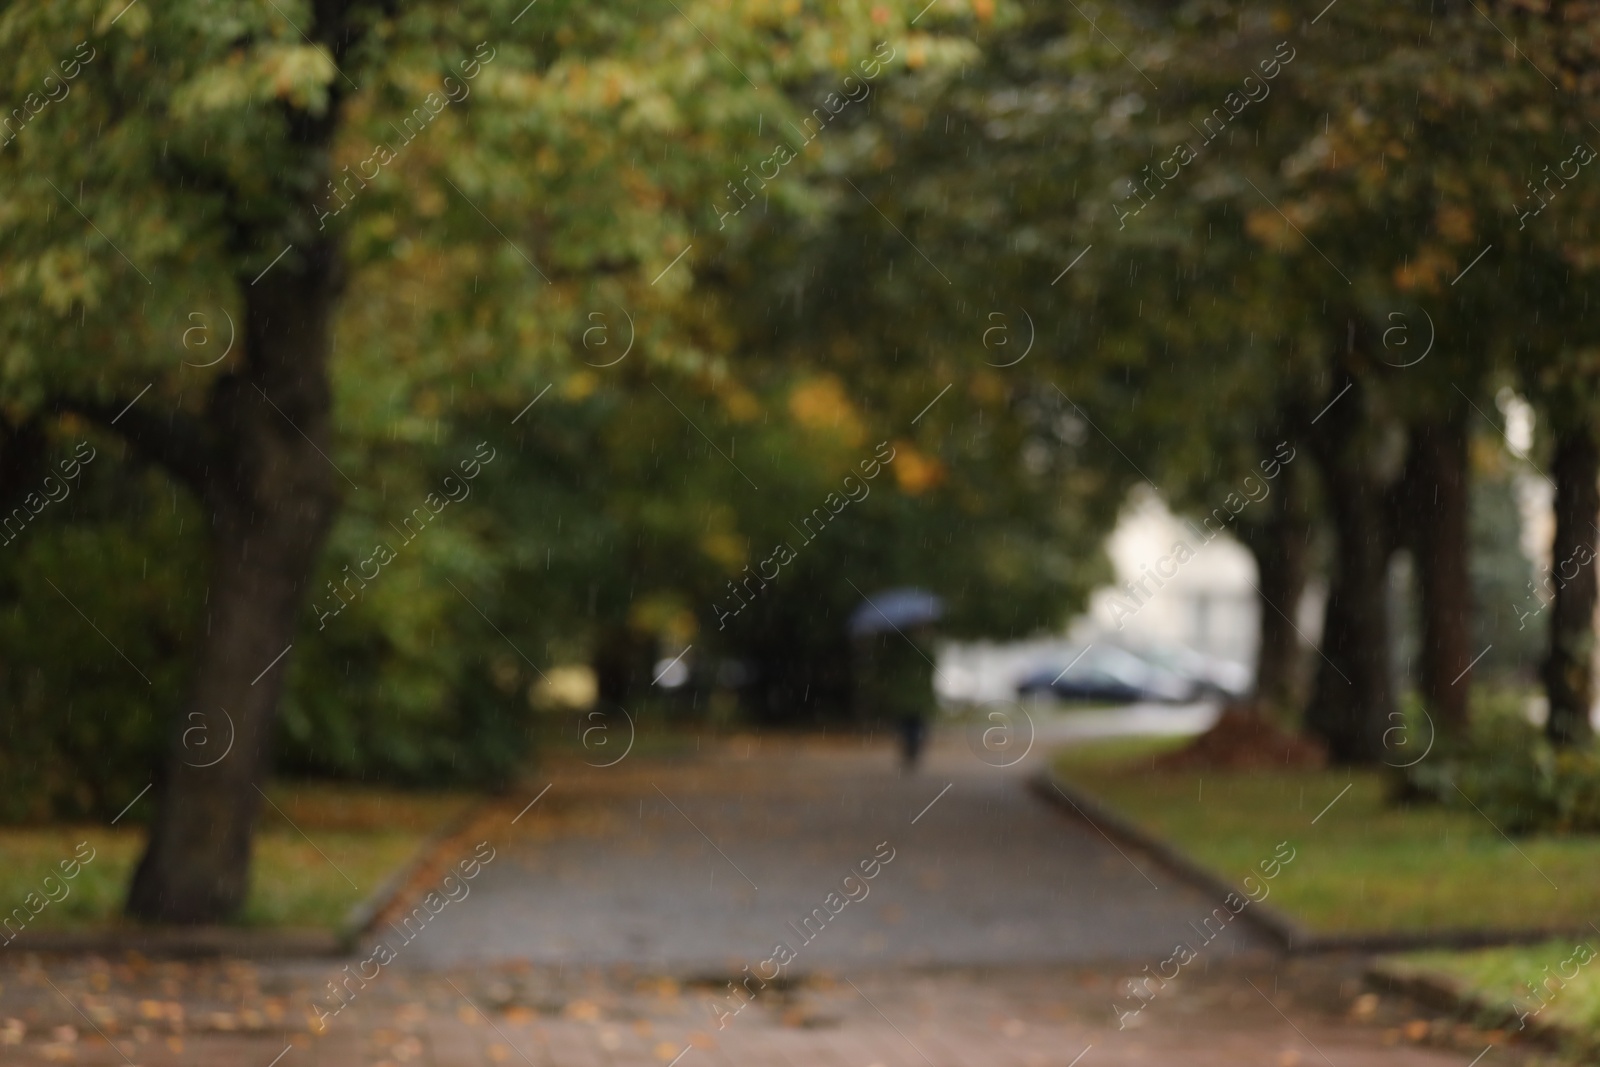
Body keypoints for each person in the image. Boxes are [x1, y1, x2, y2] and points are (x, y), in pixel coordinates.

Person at [854, 622, 937, 770]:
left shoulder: (898, 653)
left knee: (906, 726)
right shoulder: (925, 653)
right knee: (915, 726)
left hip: (904, 697)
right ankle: (913, 749)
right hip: (917, 697)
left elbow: (887, 672)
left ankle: (909, 749)